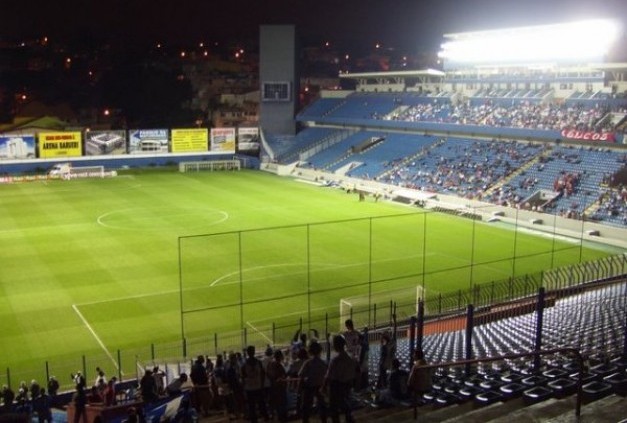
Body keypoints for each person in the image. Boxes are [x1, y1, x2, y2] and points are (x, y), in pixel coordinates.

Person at [324, 335, 355, 423]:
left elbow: (328, 376)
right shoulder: (351, 357)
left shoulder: (335, 360)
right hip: (347, 384)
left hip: (336, 386)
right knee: (345, 403)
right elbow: (356, 372)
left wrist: (323, 387)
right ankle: (349, 418)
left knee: (334, 409)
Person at [298, 341, 328, 423]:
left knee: (306, 407)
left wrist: (300, 386)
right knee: (322, 406)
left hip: (309, 386)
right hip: (320, 386)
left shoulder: (308, 362)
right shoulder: (323, 363)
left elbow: (301, 375)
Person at [241, 345, 269, 423]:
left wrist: (244, 387)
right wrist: (262, 384)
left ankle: (255, 419)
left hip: (250, 388)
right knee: (260, 404)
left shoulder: (244, 365)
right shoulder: (258, 362)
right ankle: (265, 416)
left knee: (253, 405)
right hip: (257, 386)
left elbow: (243, 377)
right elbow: (263, 374)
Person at [266, 349, 288, 422]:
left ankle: (274, 416)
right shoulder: (279, 365)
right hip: (280, 387)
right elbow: (283, 375)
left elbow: (268, 374)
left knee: (274, 403)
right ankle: (282, 418)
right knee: (281, 404)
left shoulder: (270, 364)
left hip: (272, 386)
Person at [408, 348, 432, 415]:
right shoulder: (427, 364)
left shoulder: (416, 366)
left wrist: (408, 386)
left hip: (420, 387)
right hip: (428, 385)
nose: (413, 356)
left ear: (416, 356)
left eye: (414, 355)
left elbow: (410, 380)